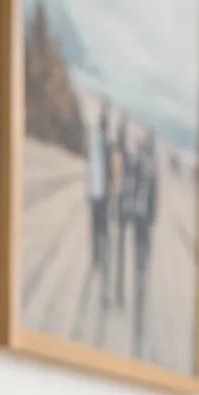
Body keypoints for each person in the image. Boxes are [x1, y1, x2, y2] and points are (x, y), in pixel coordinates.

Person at [132, 130, 159, 353]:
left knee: (144, 247)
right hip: (138, 215)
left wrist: (152, 217)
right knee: (138, 245)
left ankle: (142, 267)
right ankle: (139, 266)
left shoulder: (152, 172)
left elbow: (155, 197)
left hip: (145, 217)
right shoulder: (140, 166)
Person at [86, 104, 111, 285]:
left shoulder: (102, 146)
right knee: (98, 227)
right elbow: (91, 169)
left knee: (100, 227)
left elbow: (98, 170)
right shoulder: (97, 145)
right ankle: (98, 257)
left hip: (100, 193)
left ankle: (100, 256)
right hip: (97, 192)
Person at [114, 119, 137, 308]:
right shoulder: (121, 157)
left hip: (125, 213)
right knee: (117, 253)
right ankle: (117, 291)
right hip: (119, 210)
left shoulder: (131, 162)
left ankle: (120, 292)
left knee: (121, 253)